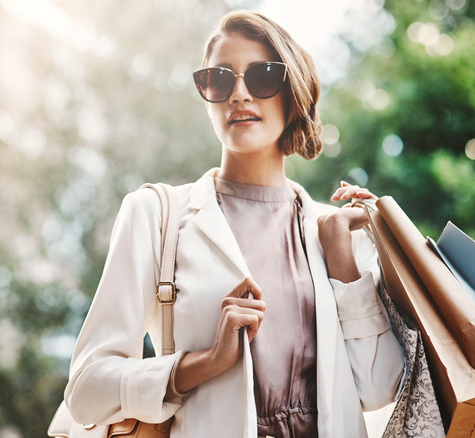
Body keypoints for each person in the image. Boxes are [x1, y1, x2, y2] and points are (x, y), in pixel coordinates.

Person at [64, 10, 404, 438]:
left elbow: (379, 388)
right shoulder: (155, 214)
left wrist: (342, 260)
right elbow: (86, 391)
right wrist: (202, 363)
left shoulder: (335, 230)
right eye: (219, 80)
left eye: (262, 77)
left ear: (292, 92)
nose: (238, 94)